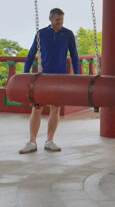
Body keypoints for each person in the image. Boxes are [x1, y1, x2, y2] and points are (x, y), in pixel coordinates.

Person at [19, 8, 79, 154]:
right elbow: (31, 53)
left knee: (55, 108)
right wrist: (25, 73)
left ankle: (49, 141)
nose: (60, 23)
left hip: (60, 78)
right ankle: (32, 142)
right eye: (57, 20)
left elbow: (75, 56)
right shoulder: (41, 34)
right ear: (50, 19)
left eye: (62, 20)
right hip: (43, 78)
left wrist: (77, 75)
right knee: (36, 108)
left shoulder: (68, 34)